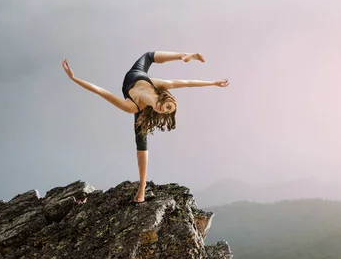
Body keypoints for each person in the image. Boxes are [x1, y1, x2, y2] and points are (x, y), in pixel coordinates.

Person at [61, 51, 229, 203]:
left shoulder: (132, 107)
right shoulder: (158, 85)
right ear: (166, 98)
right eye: (168, 107)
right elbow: (186, 82)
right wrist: (213, 82)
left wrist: (75, 79)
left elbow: (102, 92)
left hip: (134, 96)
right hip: (136, 75)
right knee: (149, 55)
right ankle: (184, 55)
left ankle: (142, 188)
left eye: (166, 113)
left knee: (141, 142)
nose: (164, 111)